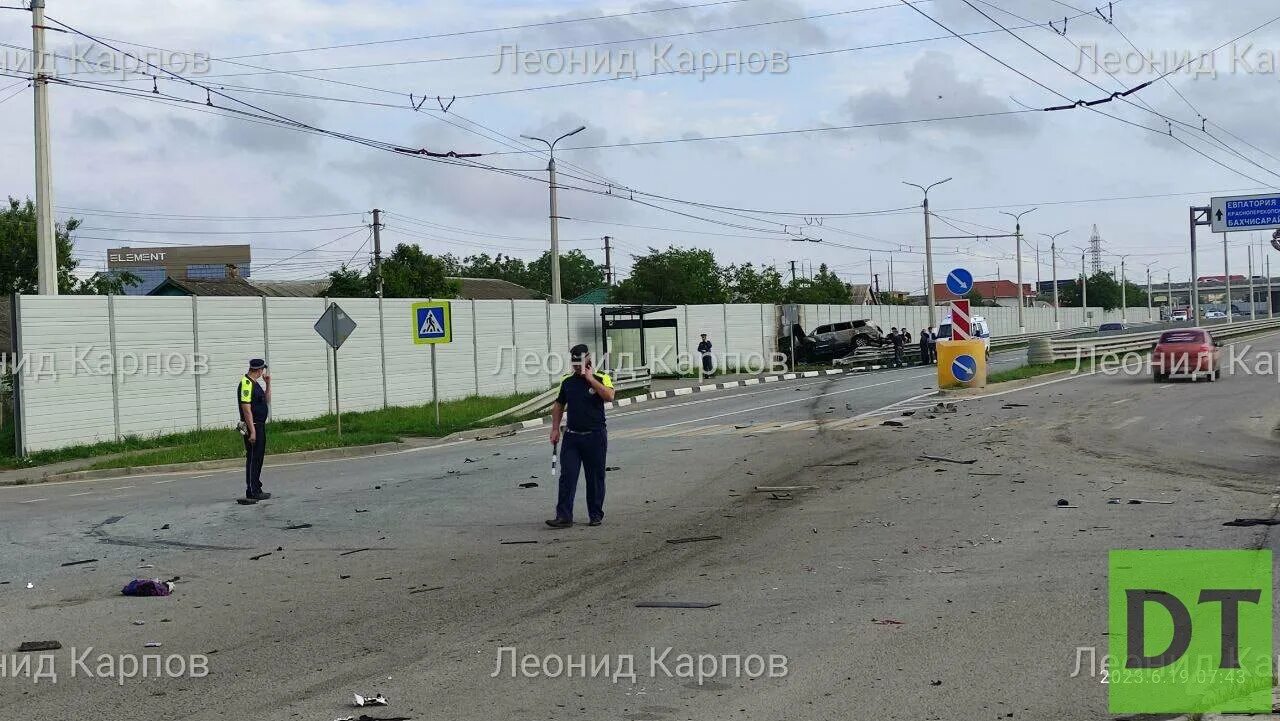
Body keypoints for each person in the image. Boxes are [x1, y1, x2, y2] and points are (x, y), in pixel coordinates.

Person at [547, 344, 615, 528]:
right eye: (574, 362)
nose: (577, 366)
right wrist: (555, 429)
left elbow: (609, 396)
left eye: (580, 362)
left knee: (594, 477)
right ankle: (564, 516)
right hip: (572, 437)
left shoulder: (602, 377)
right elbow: (559, 406)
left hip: (595, 436)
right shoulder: (567, 381)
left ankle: (595, 514)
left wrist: (590, 379)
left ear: (588, 359)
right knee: (567, 476)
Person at [238, 358, 272, 502]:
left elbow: (267, 400)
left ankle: (256, 487)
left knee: (258, 458)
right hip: (254, 425)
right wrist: (252, 431)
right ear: (259, 370)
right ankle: (252, 490)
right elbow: (246, 409)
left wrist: (268, 384)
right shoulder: (246, 384)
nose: (263, 372)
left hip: (259, 425)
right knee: (253, 458)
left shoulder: (255, 383)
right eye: (263, 369)